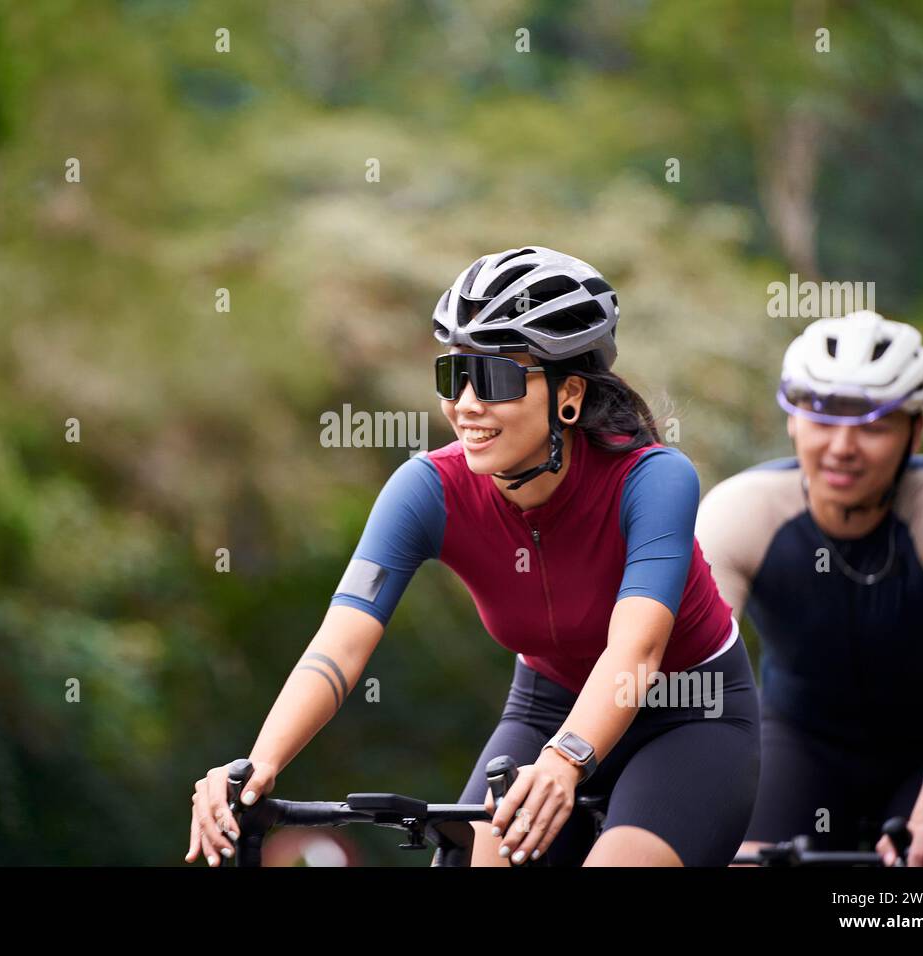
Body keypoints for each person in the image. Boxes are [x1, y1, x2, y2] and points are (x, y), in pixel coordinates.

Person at [187, 246, 759, 867]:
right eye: (452, 375)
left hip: (688, 715)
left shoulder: (653, 479)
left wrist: (567, 760)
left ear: (568, 393)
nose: (464, 404)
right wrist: (258, 764)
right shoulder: (426, 489)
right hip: (546, 707)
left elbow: (635, 653)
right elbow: (341, 644)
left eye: (495, 378)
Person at [696, 310, 923, 867]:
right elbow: (689, 673)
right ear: (792, 422)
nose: (843, 446)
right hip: (798, 738)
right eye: (822, 419)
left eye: (872, 426)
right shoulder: (739, 512)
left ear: (914, 432)